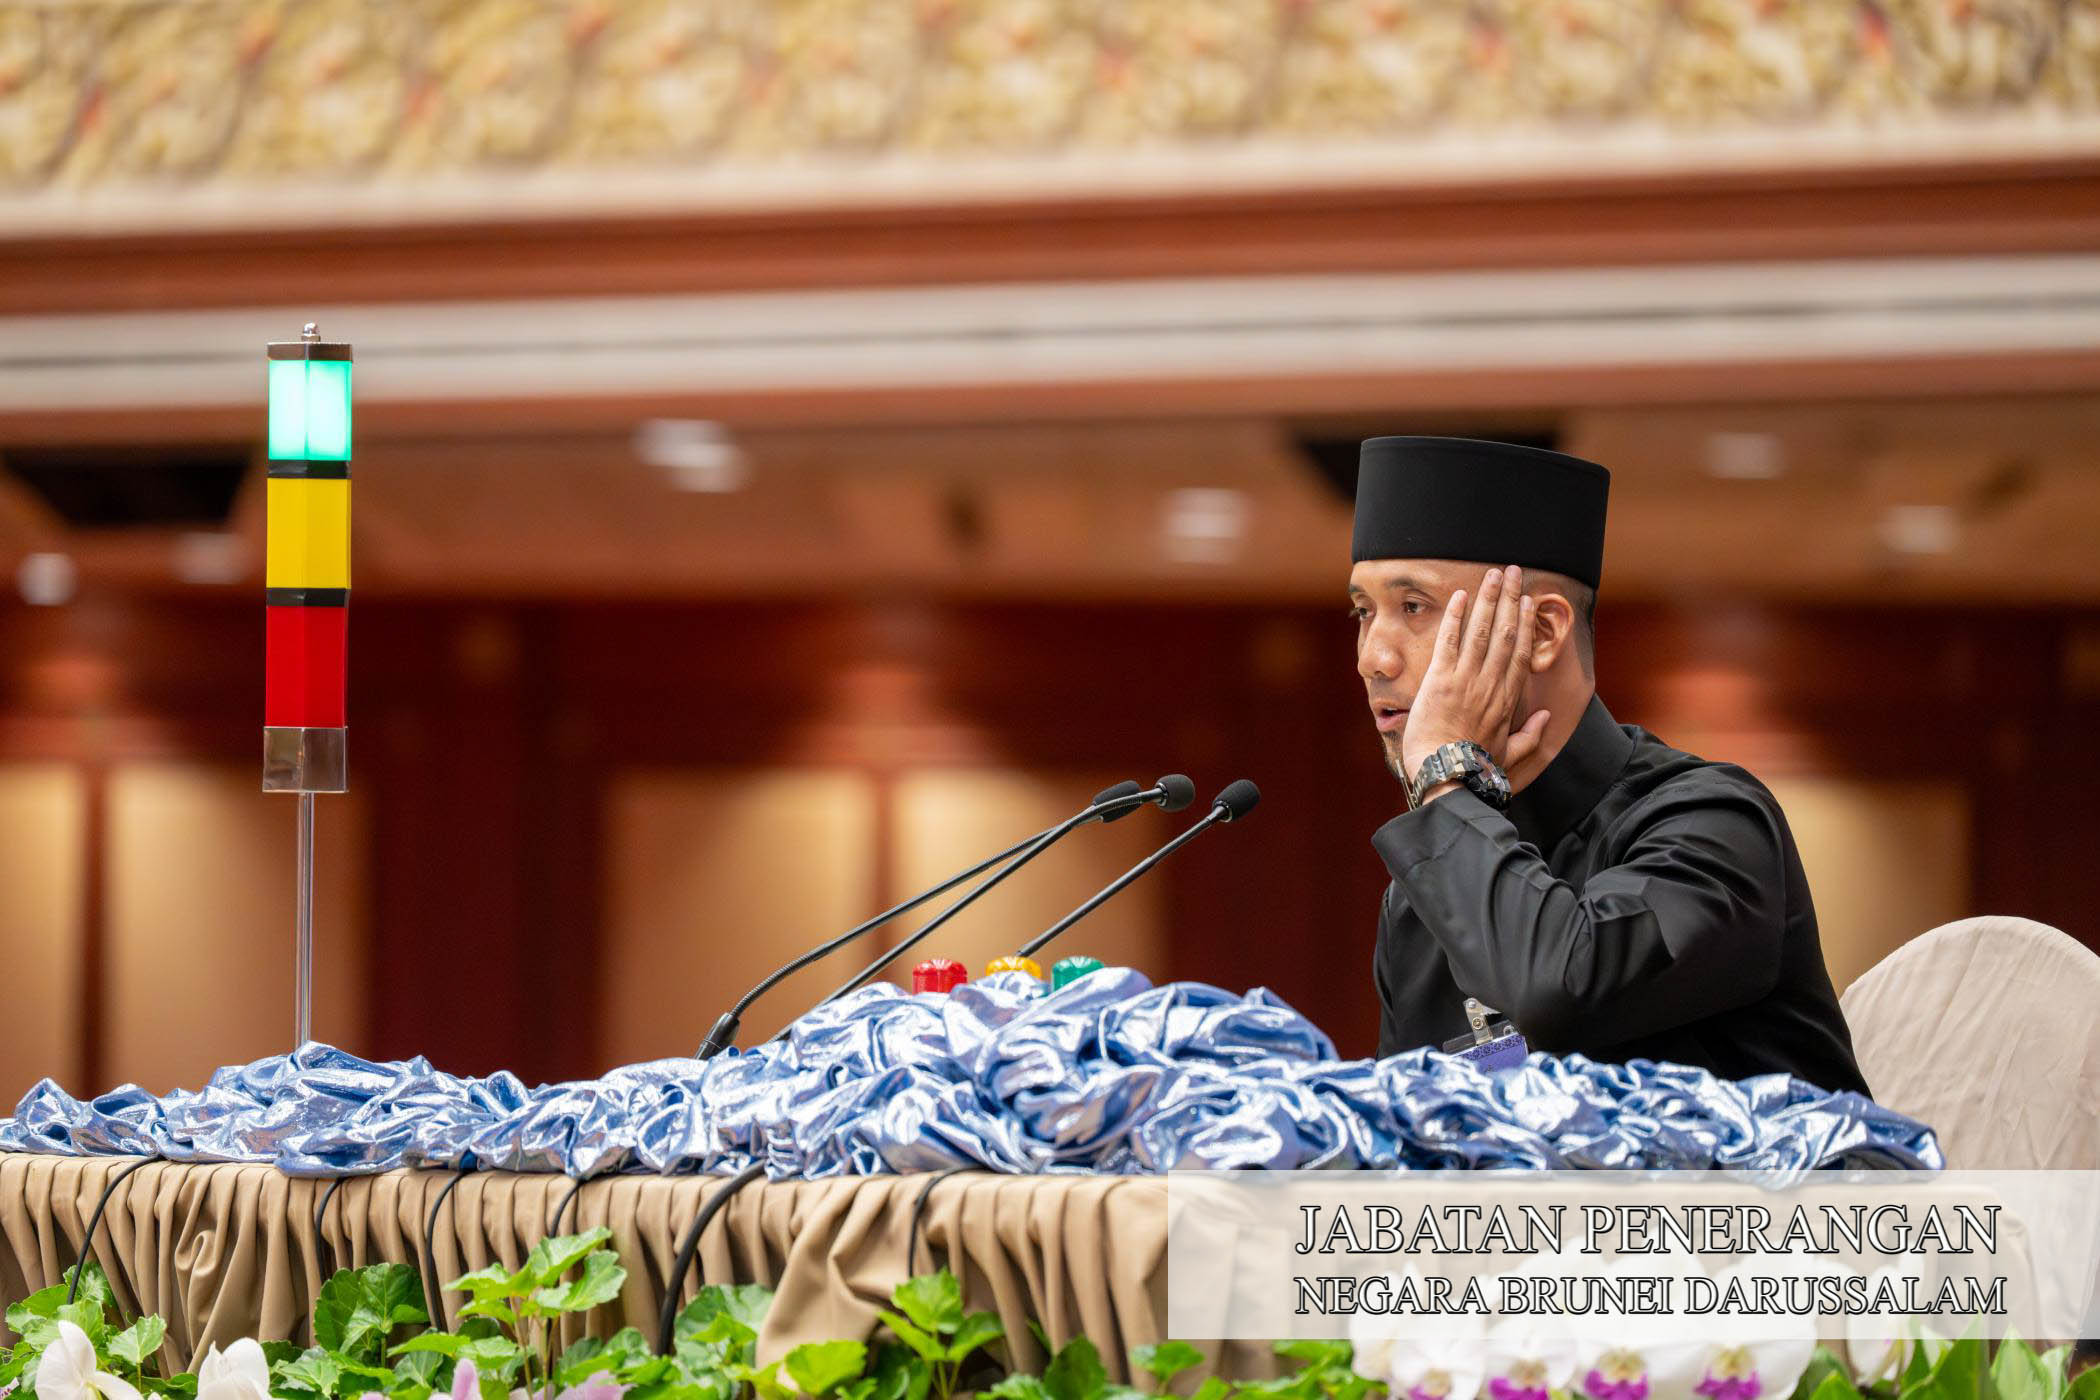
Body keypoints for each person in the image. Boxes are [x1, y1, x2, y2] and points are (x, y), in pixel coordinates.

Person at [1351, 436, 1870, 1095]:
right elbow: (1409, 1119)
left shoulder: (1711, 824)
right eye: (1362, 612)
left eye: (1413, 608)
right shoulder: (1424, 891)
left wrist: (1445, 776)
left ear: (1542, 633)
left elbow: (1554, 994)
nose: (1371, 658)